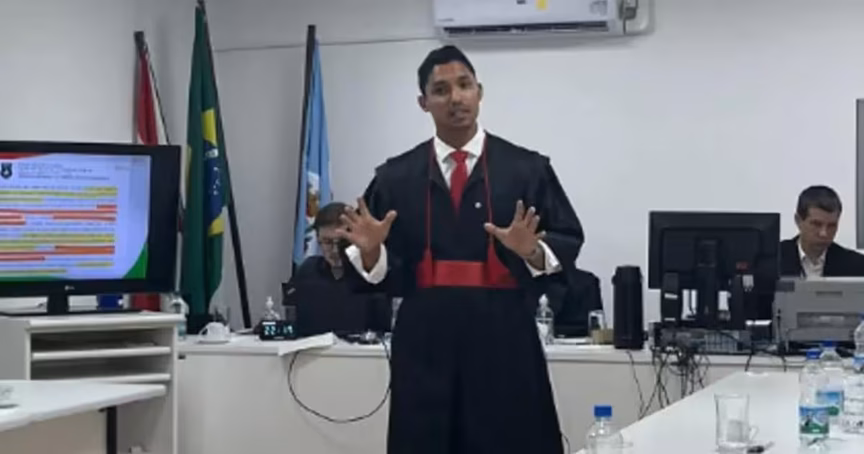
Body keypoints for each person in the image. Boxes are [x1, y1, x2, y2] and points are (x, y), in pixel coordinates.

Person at [337, 45, 584, 454]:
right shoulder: (395, 177)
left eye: (465, 85)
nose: (456, 98)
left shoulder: (526, 169)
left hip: (504, 336)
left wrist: (532, 251)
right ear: (423, 102)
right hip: (424, 341)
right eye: (441, 90)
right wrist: (370, 253)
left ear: (479, 92)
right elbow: (376, 266)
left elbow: (568, 240)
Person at [284, 202, 390, 333]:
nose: (335, 250)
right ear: (318, 239)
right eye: (327, 242)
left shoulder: (371, 274)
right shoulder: (307, 271)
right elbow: (292, 320)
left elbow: (384, 330)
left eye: (342, 242)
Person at [779, 185, 864, 278]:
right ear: (798, 221)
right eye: (816, 224)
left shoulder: (857, 265)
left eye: (831, 226)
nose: (824, 233)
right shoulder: (774, 260)